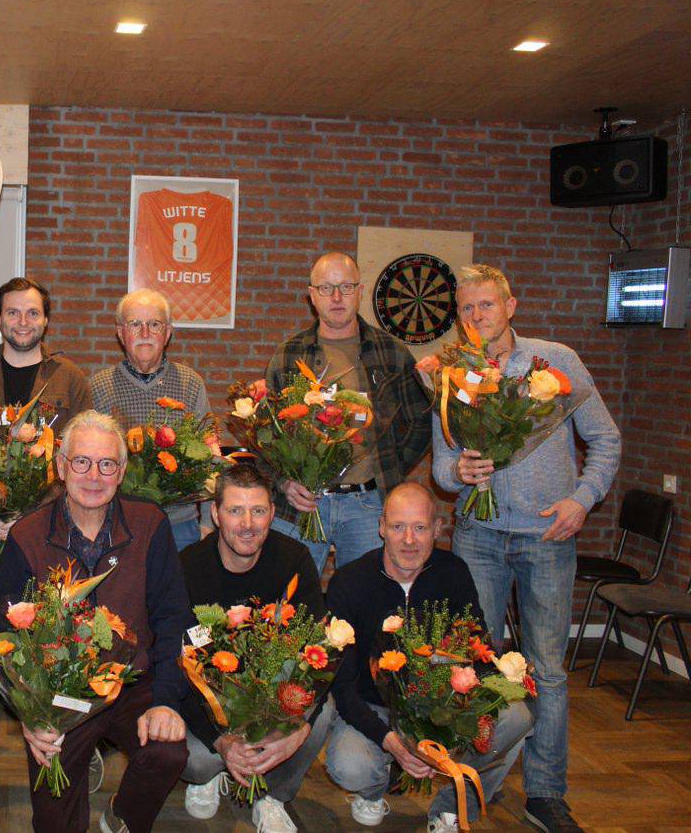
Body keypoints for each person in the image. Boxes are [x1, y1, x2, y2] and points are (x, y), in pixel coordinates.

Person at [432, 264, 620, 833]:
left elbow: (606, 439)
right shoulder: (452, 373)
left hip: (547, 536)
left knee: (547, 671)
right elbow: (442, 467)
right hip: (479, 537)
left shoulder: (555, 362)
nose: (477, 316)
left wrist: (581, 501)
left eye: (486, 304)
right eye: (467, 309)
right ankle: (471, 787)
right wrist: (459, 471)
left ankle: (545, 795)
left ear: (511, 306)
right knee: (474, 666)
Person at [0, 410, 191, 833]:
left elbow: (173, 617)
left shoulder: (150, 525)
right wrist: (31, 716)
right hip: (61, 696)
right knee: (54, 824)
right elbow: (3, 636)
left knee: (167, 751)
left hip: (133, 682)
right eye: (82, 462)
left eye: (107, 464)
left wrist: (166, 702)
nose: (94, 476)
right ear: (61, 467)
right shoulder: (27, 536)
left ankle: (122, 816)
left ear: (122, 472)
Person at [324, 482, 533, 832]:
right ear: (381, 527)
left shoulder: (453, 573)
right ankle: (375, 789)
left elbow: (478, 649)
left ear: (437, 528)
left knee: (517, 716)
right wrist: (393, 743)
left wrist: (456, 722)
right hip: (374, 707)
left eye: (420, 528)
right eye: (398, 527)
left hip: (443, 706)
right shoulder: (350, 582)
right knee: (350, 766)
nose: (409, 540)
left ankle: (451, 807)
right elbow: (342, 687)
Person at [0, 276, 91, 713]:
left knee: (45, 628)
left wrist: (34, 514)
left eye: (32, 313)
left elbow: (81, 455)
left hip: (47, 530)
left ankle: (43, 720)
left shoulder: (70, 378)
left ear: (46, 321)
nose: (22, 321)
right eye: (12, 312)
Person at [178, 465, 329, 832]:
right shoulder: (188, 567)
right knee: (196, 761)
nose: (247, 524)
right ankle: (213, 773)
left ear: (272, 513)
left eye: (258, 511)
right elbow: (174, 664)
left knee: (323, 714)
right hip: (209, 701)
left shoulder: (294, 560)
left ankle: (272, 795)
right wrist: (220, 741)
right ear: (215, 514)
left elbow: (319, 651)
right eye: (235, 511)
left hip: (272, 699)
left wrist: (297, 728)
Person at [265, 251, 432, 575]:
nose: (337, 297)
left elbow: (422, 420)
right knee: (289, 597)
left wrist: (390, 467)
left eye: (346, 287)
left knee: (365, 597)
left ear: (360, 291)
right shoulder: (288, 355)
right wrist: (284, 482)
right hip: (302, 505)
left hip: (368, 506)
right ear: (312, 295)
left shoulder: (391, 352)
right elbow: (266, 436)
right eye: (326, 288)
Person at [91, 288, 212, 551]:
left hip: (179, 527)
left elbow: (208, 456)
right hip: (117, 523)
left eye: (154, 324)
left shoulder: (191, 384)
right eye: (135, 324)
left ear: (167, 333)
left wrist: (208, 524)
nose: (145, 333)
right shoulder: (99, 386)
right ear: (120, 332)